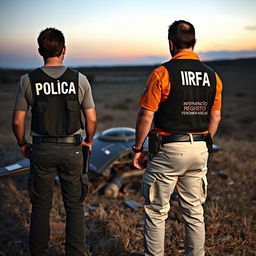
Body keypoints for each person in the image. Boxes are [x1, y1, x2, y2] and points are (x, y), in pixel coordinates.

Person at [132, 20, 222, 256]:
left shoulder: (162, 73)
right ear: (194, 42)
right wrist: (204, 143)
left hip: (168, 149)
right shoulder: (213, 76)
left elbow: (146, 116)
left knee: (156, 211)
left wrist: (137, 148)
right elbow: (216, 117)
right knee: (194, 212)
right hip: (200, 148)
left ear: (171, 44)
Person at [12, 28, 97, 256]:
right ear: (64, 50)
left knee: (40, 207)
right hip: (73, 150)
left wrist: (22, 143)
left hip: (42, 150)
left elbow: (17, 121)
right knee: (75, 207)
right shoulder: (80, 79)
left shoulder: (27, 80)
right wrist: (88, 140)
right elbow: (91, 118)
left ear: (40, 51)